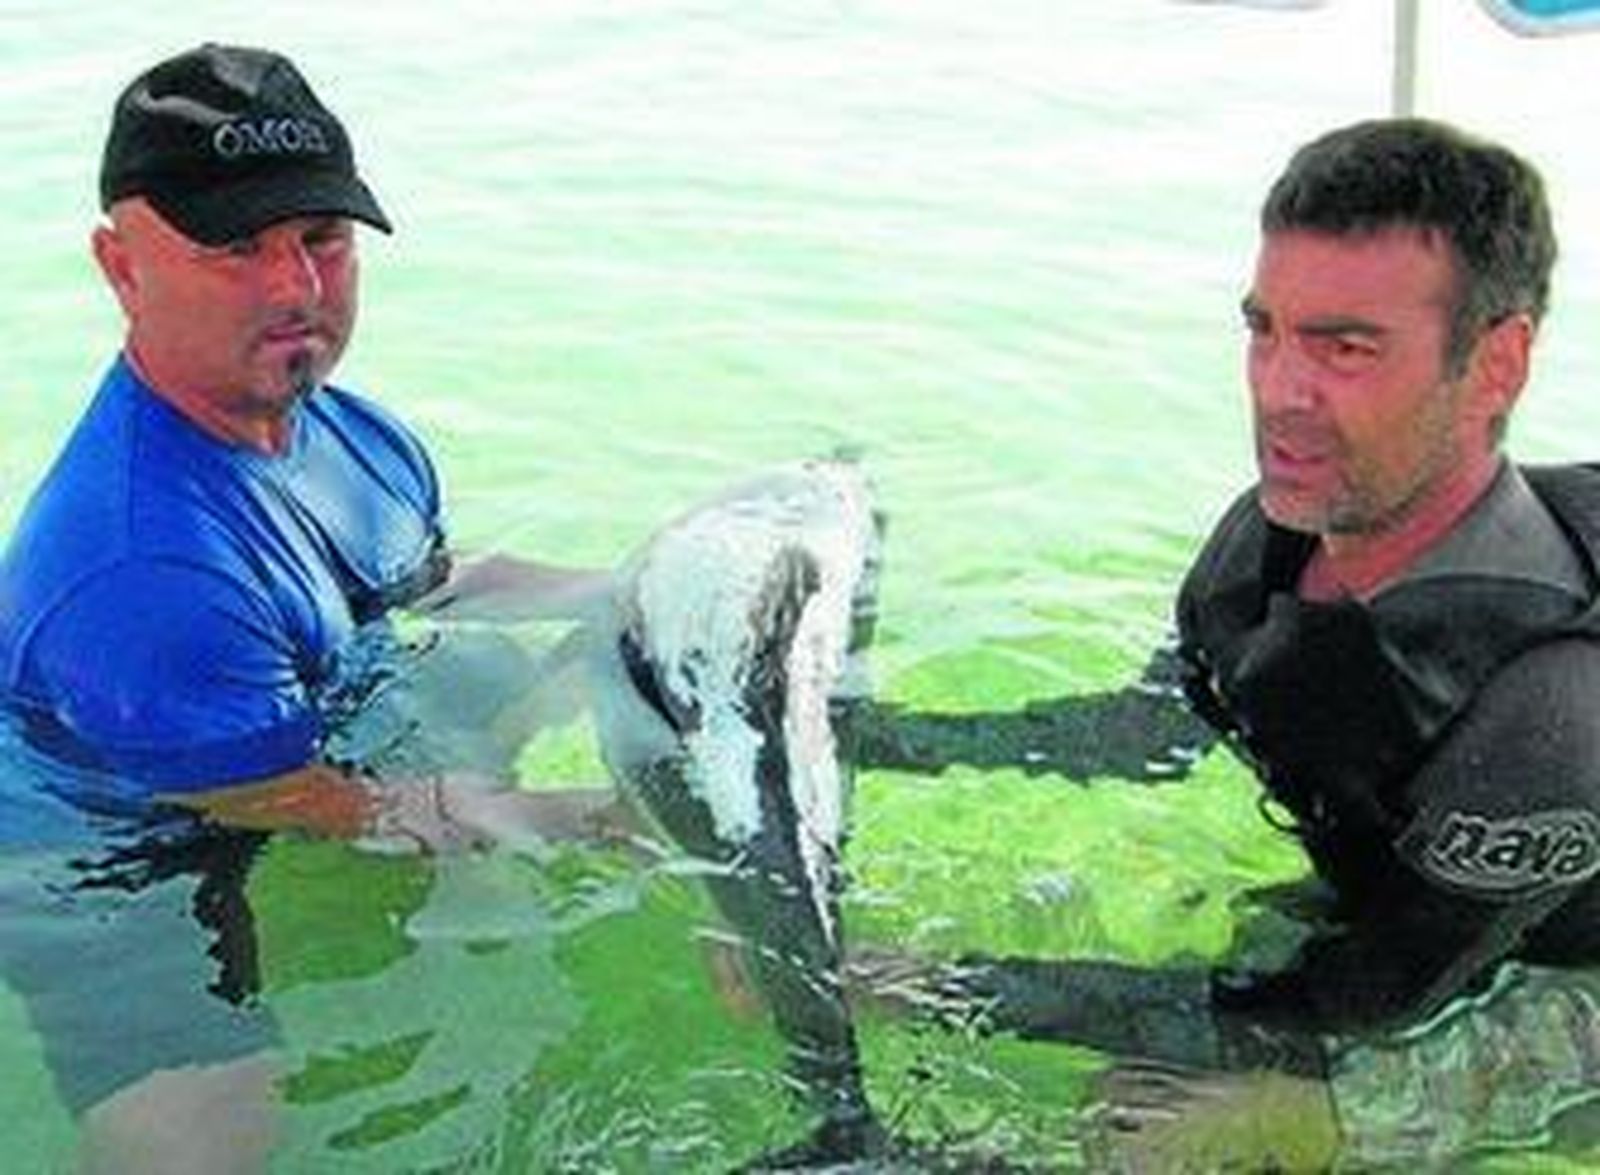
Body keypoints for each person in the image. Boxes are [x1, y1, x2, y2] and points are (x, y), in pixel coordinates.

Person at [853, 118, 1600, 1169]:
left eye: (1345, 347)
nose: (1279, 395)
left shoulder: (1550, 720)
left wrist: (939, 984)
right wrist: (878, 735)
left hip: (1558, 993)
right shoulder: (1272, 540)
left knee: (1184, 1130)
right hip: (1415, 903)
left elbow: (1361, 1002)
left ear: (1495, 364)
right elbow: (1150, 730)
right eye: (1265, 330)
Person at [0, 43, 611, 1174]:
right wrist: (519, 813)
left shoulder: (352, 427)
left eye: (319, 240)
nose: (295, 289)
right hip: (108, 836)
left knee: (586, 661)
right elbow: (250, 788)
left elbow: (424, 582)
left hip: (294, 694)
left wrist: (619, 591)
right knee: (209, 1134)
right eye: (235, 247)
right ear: (120, 267)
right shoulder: (141, 569)